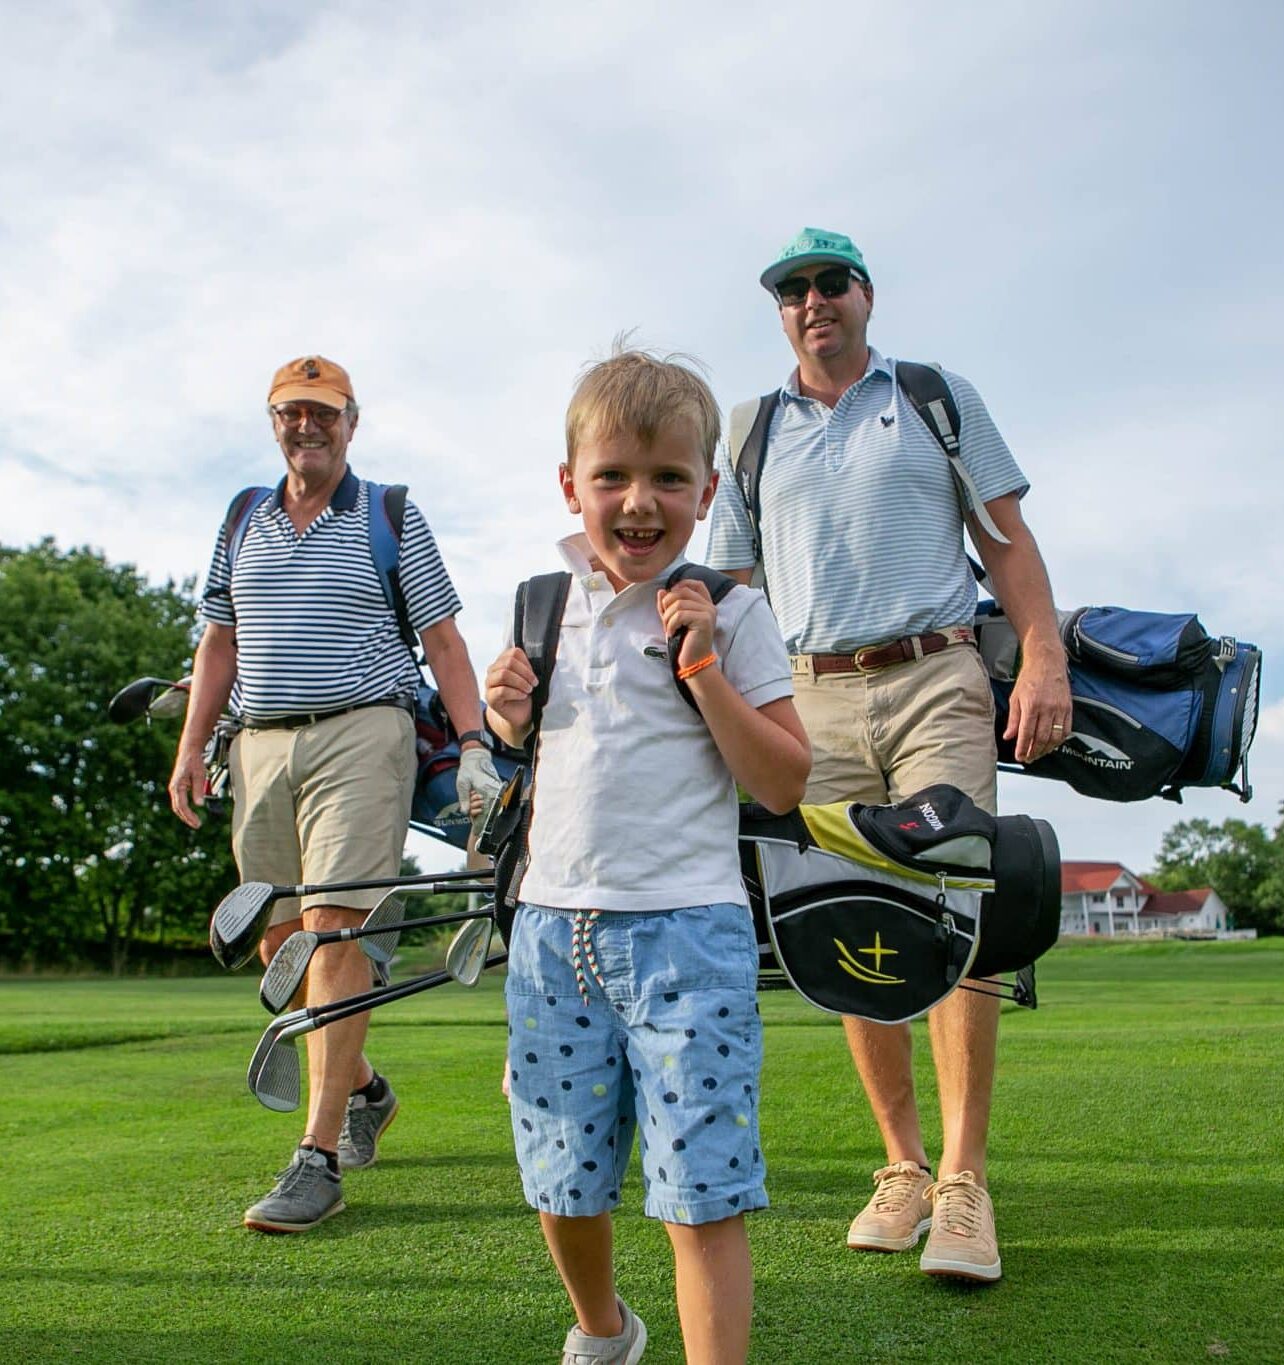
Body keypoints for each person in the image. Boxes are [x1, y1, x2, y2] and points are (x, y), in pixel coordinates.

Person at [706, 229, 1073, 1284]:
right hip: (807, 693)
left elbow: (1006, 542)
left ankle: (962, 1184)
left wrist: (1041, 654)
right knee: (845, 915)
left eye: (829, 283)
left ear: (865, 295)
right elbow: (731, 589)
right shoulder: (750, 429)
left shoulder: (929, 395)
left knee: (957, 902)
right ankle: (900, 1169)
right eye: (792, 290)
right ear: (780, 311)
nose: (811, 301)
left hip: (934, 674)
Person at [484, 348, 810, 1363]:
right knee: (560, 1177)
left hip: (688, 936)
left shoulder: (735, 612)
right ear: (569, 485)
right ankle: (603, 1331)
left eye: (668, 478)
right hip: (551, 930)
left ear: (706, 491)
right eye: (612, 476)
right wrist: (503, 724)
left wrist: (705, 668)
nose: (639, 501)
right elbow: (531, 766)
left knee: (700, 1191)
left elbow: (783, 781)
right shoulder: (541, 606)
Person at [169, 355, 502, 1233]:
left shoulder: (389, 511)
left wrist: (473, 743)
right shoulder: (242, 516)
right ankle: (367, 1090)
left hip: (365, 728)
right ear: (271, 422)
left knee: (333, 928)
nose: (305, 426)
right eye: (290, 412)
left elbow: (443, 637)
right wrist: (192, 744)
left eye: (322, 412)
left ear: (352, 421)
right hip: (258, 743)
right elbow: (218, 641)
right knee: (279, 943)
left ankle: (315, 1157)